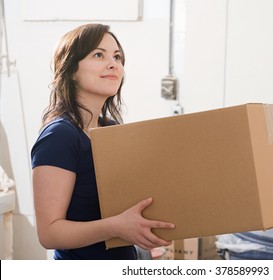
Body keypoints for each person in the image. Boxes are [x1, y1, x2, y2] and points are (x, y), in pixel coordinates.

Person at [31, 23, 175, 260]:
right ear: (71, 70)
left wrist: (144, 234)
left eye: (117, 57)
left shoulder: (112, 130)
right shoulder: (59, 136)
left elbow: (120, 208)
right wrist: (117, 227)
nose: (113, 64)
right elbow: (49, 233)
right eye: (99, 54)